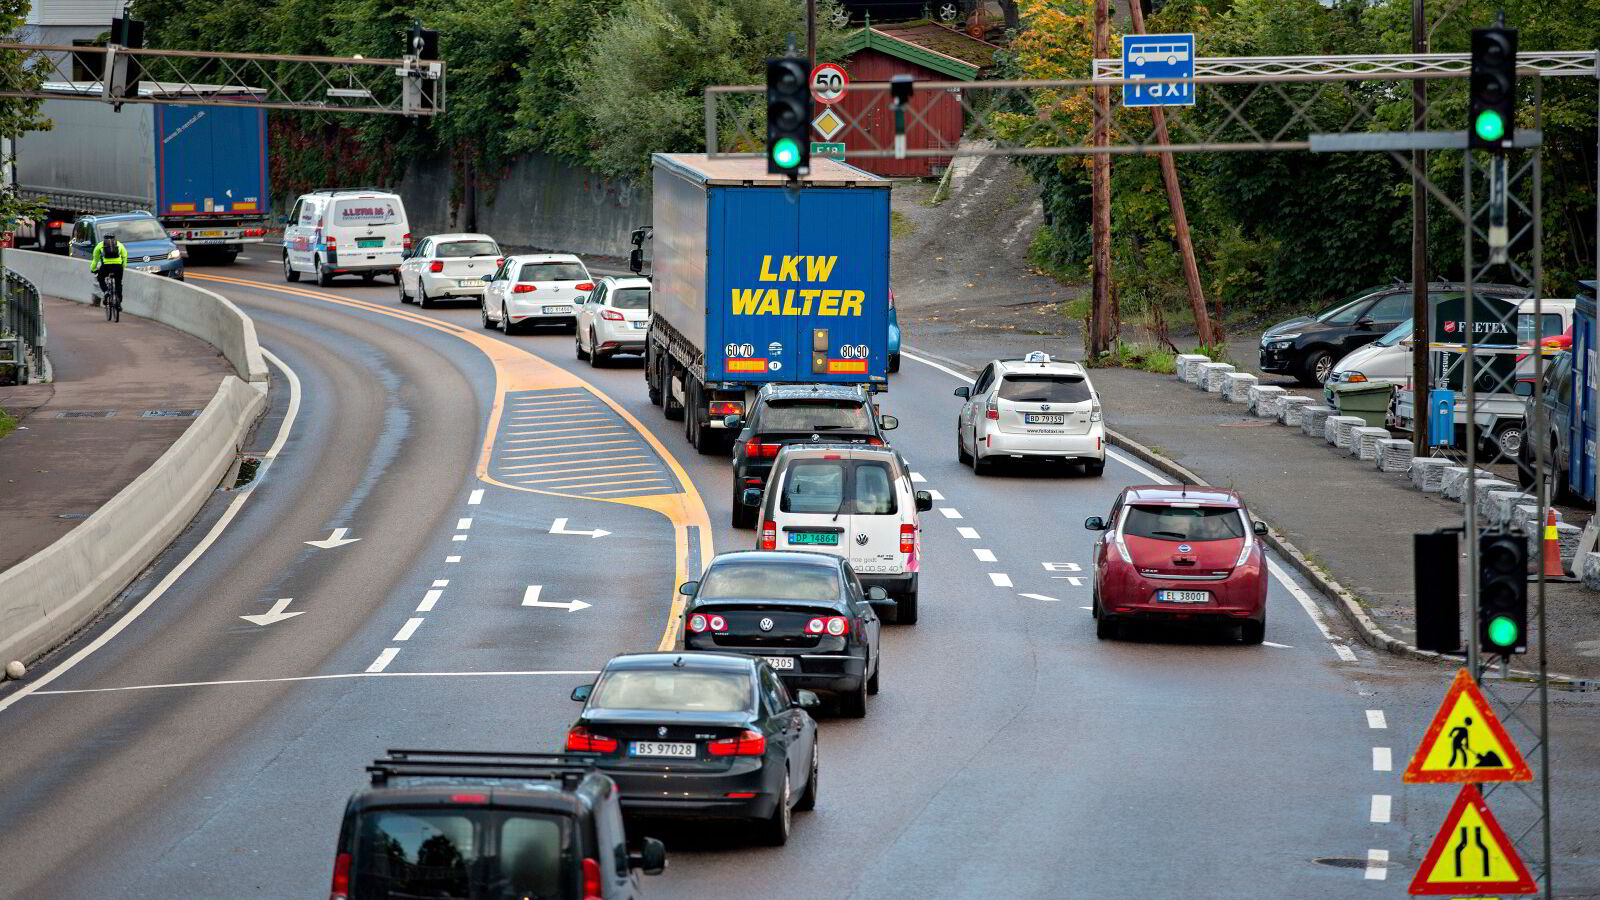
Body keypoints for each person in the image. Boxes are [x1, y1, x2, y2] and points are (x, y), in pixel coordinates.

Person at [90, 234, 127, 305]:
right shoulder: (119, 244)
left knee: (100, 278)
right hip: (117, 266)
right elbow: (124, 255)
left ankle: (106, 292)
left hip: (106, 266)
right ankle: (119, 298)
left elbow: (95, 259)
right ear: (114, 238)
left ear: (104, 239)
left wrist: (93, 269)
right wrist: (123, 265)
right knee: (118, 282)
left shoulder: (100, 245)